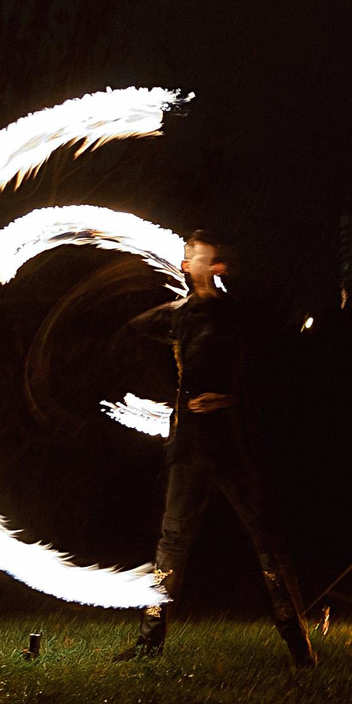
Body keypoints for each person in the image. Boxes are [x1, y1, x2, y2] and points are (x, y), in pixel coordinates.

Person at [115, 231, 317, 666]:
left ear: (216, 266)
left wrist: (232, 398)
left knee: (265, 539)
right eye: (191, 254)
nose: (197, 257)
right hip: (189, 445)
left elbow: (275, 355)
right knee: (171, 543)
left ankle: (299, 646)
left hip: (231, 443)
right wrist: (165, 397)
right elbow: (129, 336)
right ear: (187, 268)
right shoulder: (175, 315)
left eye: (206, 254)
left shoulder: (235, 314)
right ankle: (150, 643)